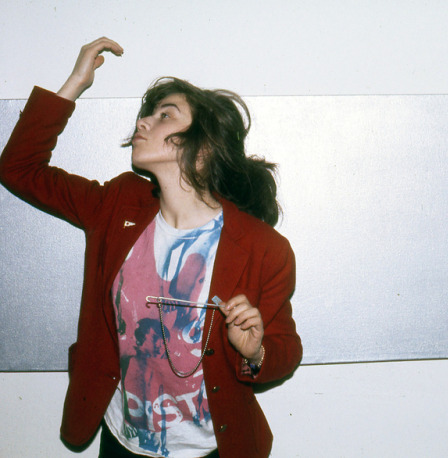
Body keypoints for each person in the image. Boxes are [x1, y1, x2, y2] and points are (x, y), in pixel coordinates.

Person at [0, 37, 302, 458]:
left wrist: (256, 351)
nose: (143, 122)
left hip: (211, 449)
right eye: (148, 113)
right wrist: (75, 82)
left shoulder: (262, 247)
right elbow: (19, 168)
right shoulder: (117, 204)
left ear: (204, 147)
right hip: (122, 442)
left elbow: (285, 350)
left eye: (165, 115)